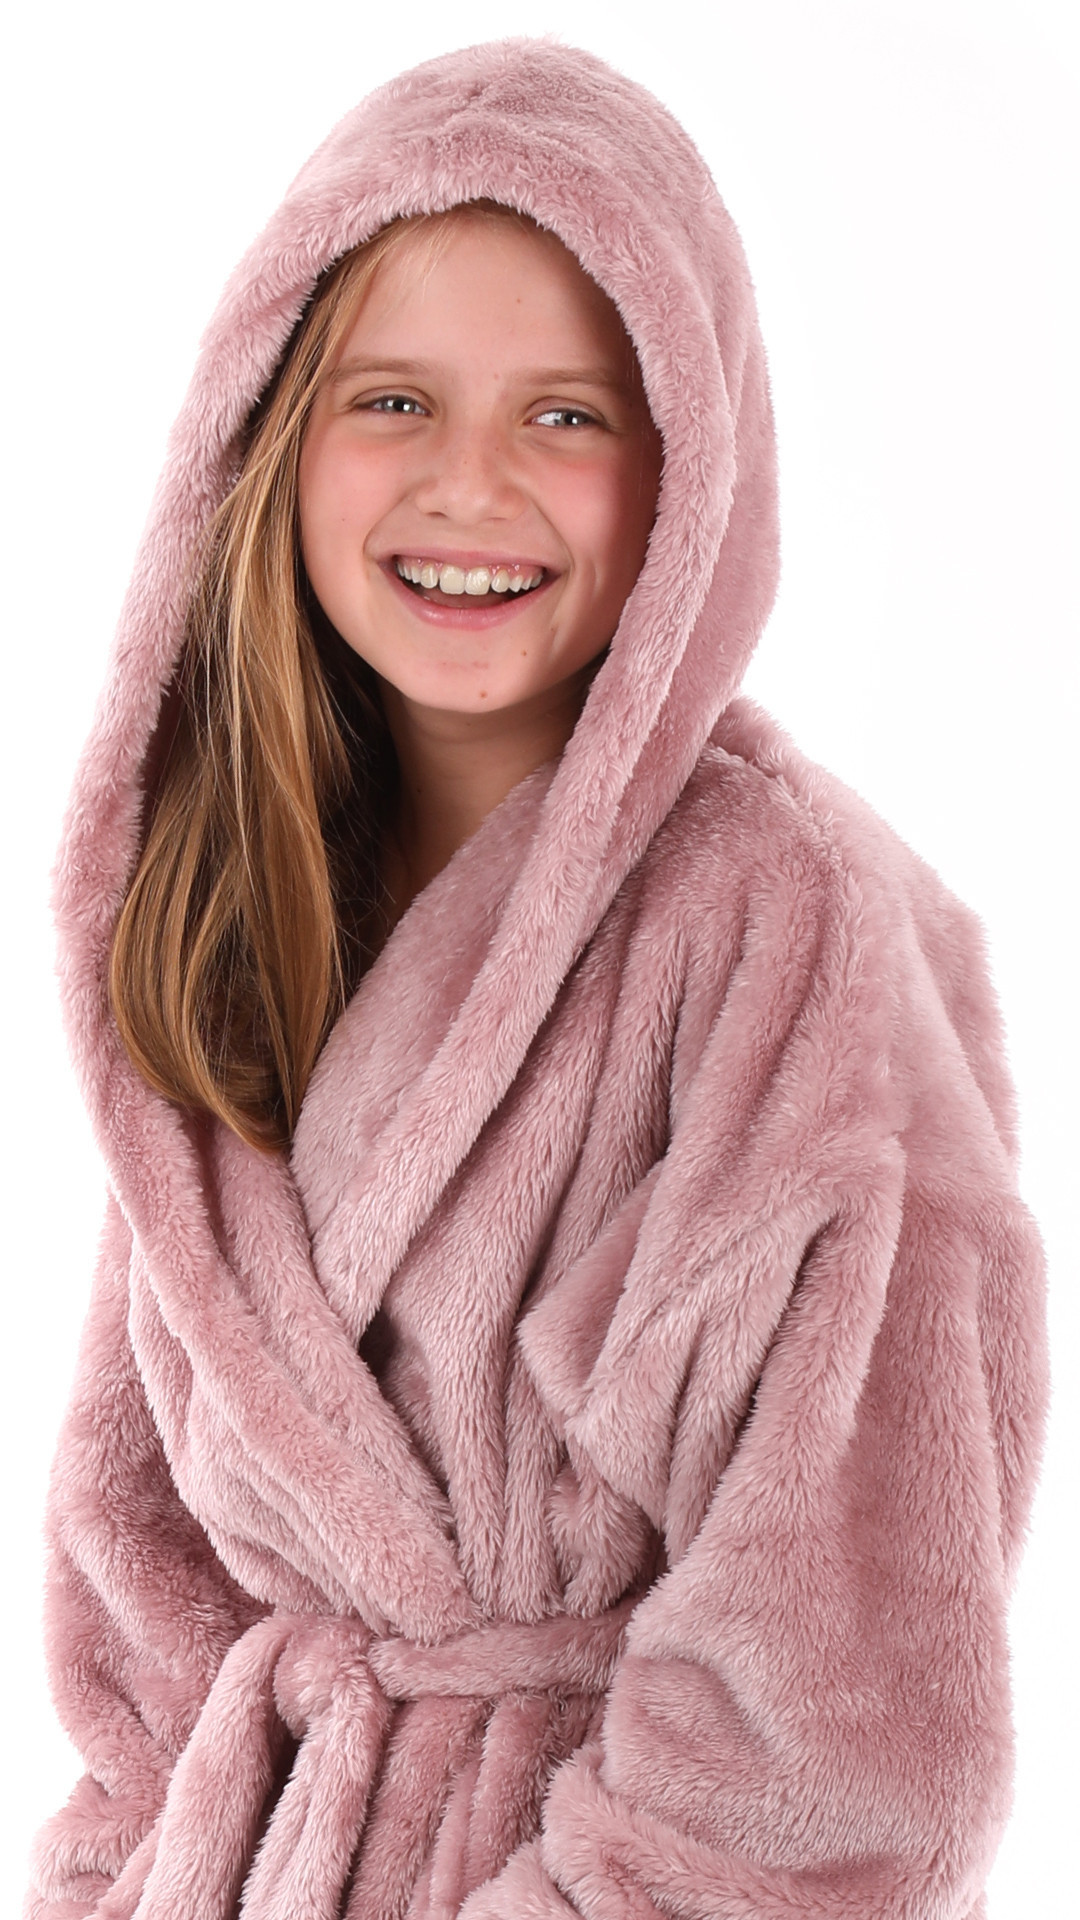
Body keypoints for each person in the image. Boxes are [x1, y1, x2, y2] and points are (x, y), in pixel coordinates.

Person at [27, 36, 1047, 1920]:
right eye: (394, 400)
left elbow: (842, 1718)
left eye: (566, 414)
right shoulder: (231, 907)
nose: (470, 483)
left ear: (687, 464)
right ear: (269, 433)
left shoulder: (791, 931)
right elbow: (136, 1592)